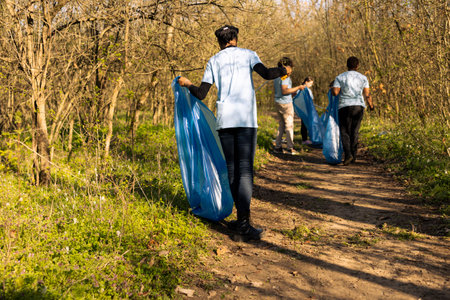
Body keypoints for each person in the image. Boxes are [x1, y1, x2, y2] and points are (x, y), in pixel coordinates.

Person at [178, 25, 288, 240]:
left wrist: (187, 83)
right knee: (245, 170)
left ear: (219, 42)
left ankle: (240, 221)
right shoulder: (249, 54)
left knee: (232, 170)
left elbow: (201, 93)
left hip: (225, 121)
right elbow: (266, 74)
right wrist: (283, 71)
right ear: (235, 38)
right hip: (246, 119)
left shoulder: (213, 60)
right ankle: (244, 222)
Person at [331, 56, 374, 165]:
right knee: (355, 131)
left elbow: (335, 93)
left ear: (347, 65)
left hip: (344, 106)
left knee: (345, 131)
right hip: (358, 107)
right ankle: (354, 156)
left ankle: (348, 155)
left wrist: (333, 89)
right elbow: (367, 94)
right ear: (357, 66)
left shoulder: (340, 77)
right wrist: (371, 105)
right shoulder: (363, 78)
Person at [273, 57, 309, 154]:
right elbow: (284, 91)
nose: (292, 70)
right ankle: (290, 148)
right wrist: (298, 87)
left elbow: (283, 91)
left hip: (278, 102)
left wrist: (294, 92)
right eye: (291, 67)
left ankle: (278, 147)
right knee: (289, 126)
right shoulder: (284, 77)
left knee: (281, 125)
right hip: (285, 104)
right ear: (286, 67)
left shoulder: (276, 76)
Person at [300, 77, 314, 145]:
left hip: (308, 108)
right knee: (304, 124)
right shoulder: (302, 89)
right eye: (310, 83)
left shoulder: (308, 90)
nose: (311, 85)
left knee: (308, 123)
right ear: (306, 82)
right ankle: (304, 139)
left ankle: (307, 138)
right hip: (304, 109)